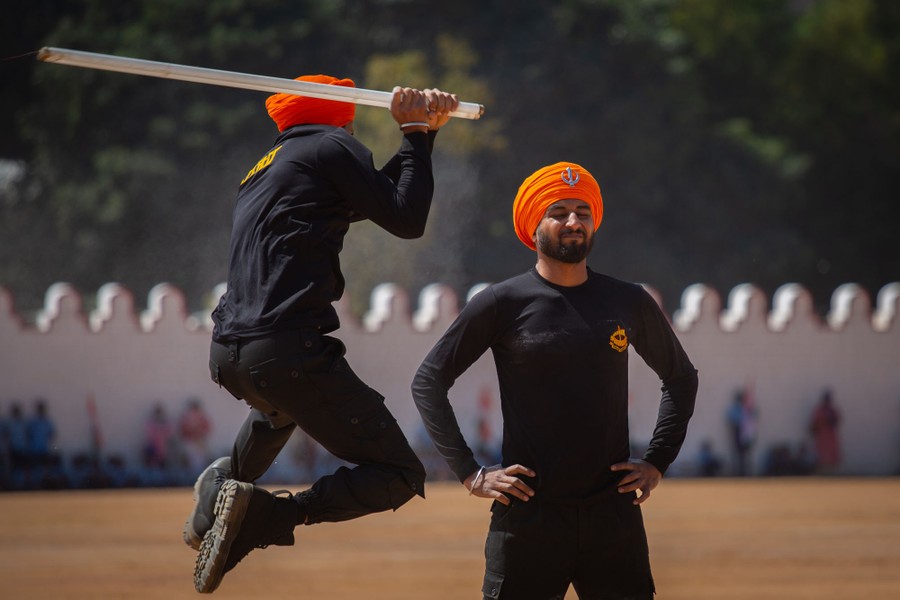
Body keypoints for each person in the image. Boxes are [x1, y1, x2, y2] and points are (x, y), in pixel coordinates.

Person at [186, 73, 459, 593]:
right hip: (286, 349)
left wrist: (423, 134)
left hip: (230, 351)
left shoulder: (271, 166)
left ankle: (221, 488)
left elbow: (379, 196)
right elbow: (406, 217)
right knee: (400, 473)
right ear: (340, 116)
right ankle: (268, 516)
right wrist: (413, 132)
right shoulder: (333, 145)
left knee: (280, 408)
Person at [411, 162, 698, 600]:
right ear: (534, 226)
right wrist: (471, 473)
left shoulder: (628, 300)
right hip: (528, 516)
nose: (573, 221)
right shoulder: (502, 302)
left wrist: (657, 460)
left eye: (583, 212)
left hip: (612, 516)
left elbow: (680, 378)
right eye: (559, 212)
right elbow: (429, 381)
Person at [809, 388, 841, 473]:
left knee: (831, 453)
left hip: (830, 435)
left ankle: (831, 471)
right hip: (822, 435)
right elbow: (814, 422)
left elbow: (836, 421)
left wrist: (830, 420)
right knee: (821, 452)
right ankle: (821, 470)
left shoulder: (832, 410)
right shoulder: (819, 410)